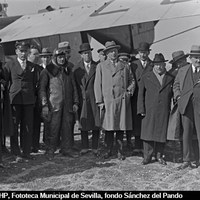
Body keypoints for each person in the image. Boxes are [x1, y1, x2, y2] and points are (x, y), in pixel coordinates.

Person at [94, 41, 135, 160]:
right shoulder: (101, 66)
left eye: (115, 50)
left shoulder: (125, 65)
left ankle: (120, 151)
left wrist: (128, 92)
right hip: (108, 101)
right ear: (106, 53)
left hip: (121, 101)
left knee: (121, 127)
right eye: (111, 51)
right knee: (109, 128)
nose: (113, 53)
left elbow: (132, 81)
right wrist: (100, 101)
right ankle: (108, 150)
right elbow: (98, 84)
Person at [39, 48, 79, 160]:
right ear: (55, 58)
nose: (62, 59)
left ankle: (66, 149)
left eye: (63, 57)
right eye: (59, 57)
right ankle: (50, 150)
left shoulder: (68, 70)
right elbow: (42, 89)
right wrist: (44, 105)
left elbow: (74, 87)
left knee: (67, 127)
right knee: (53, 128)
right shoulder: (47, 71)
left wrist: (76, 102)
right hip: (53, 105)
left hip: (68, 105)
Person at [137, 53, 174, 165]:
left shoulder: (170, 78)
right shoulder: (146, 77)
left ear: (164, 64)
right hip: (149, 110)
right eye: (157, 65)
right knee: (148, 133)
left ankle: (159, 155)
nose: (159, 67)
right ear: (153, 65)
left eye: (161, 64)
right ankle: (147, 156)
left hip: (163, 110)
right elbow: (140, 95)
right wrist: (141, 109)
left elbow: (172, 94)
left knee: (161, 133)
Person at [4, 41, 37, 160]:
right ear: (16, 51)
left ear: (28, 52)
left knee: (28, 126)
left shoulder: (32, 66)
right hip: (15, 100)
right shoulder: (10, 65)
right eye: (21, 51)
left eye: (25, 51)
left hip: (28, 100)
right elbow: (4, 80)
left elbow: (34, 83)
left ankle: (26, 152)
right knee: (14, 126)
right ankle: (16, 152)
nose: (23, 53)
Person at [173, 45, 200, 170]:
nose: (198, 60)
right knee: (186, 133)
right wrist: (178, 97)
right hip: (186, 105)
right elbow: (176, 85)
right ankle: (186, 160)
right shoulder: (183, 70)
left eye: (199, 57)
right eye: (195, 57)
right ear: (191, 58)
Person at [73, 43, 100, 156]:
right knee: (83, 123)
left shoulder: (97, 66)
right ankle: (84, 146)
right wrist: (76, 101)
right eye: (84, 53)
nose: (87, 55)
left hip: (94, 98)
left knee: (96, 122)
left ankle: (95, 146)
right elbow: (75, 86)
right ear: (81, 55)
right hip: (82, 99)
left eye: (88, 52)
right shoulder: (76, 68)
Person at [130, 42, 153, 154]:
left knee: (147, 121)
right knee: (137, 121)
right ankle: (137, 145)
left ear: (148, 52)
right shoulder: (133, 65)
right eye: (141, 53)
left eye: (145, 52)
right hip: (136, 97)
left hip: (149, 97)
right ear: (138, 53)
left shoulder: (153, 65)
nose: (143, 55)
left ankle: (147, 146)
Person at [27, 45, 44, 153]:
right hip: (27, 100)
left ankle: (36, 145)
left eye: (38, 54)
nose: (37, 56)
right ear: (29, 55)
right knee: (27, 124)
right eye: (34, 54)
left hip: (37, 101)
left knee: (37, 123)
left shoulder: (40, 69)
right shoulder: (26, 67)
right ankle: (27, 146)